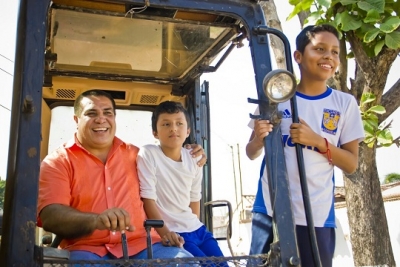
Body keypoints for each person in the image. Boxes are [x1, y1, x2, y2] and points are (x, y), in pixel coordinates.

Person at [37, 90, 207, 261]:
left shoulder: (138, 155)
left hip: (143, 245)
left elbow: (173, 167)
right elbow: (51, 216)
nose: (101, 119)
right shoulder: (57, 162)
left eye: (107, 113)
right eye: (91, 113)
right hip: (86, 250)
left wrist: (190, 152)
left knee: (186, 263)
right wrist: (96, 220)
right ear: (76, 119)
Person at [246, 24, 365, 267]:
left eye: (334, 52)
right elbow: (251, 152)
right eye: (320, 49)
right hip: (270, 207)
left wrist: (317, 142)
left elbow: (352, 164)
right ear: (298, 56)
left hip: (317, 213)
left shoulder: (344, 103)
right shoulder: (275, 97)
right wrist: (259, 138)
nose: (329, 57)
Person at [137, 101, 227, 266]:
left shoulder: (195, 158)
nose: (173, 128)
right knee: (204, 265)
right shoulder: (148, 154)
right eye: (166, 124)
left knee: (223, 264)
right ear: (155, 133)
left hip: (197, 229)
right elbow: (147, 199)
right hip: (175, 231)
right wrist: (165, 233)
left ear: (188, 131)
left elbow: (194, 197)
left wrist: (192, 223)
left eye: (179, 123)